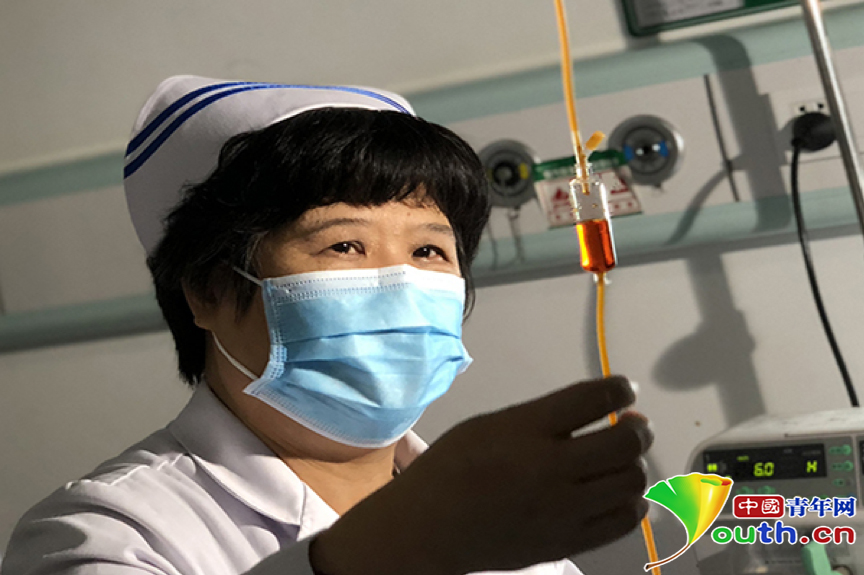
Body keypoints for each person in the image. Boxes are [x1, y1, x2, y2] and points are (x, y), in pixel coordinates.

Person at [2, 76, 652, 575]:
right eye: (344, 245)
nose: (401, 282)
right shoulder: (109, 531)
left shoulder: (504, 520)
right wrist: (386, 551)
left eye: (429, 250)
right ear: (208, 290)